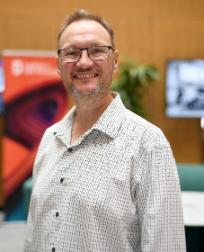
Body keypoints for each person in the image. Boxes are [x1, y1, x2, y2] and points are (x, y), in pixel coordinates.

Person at [24, 9, 186, 252]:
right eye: (71, 52)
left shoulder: (148, 144)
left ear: (116, 60)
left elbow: (166, 245)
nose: (84, 61)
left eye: (97, 50)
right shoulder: (50, 138)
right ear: (59, 66)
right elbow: (34, 233)